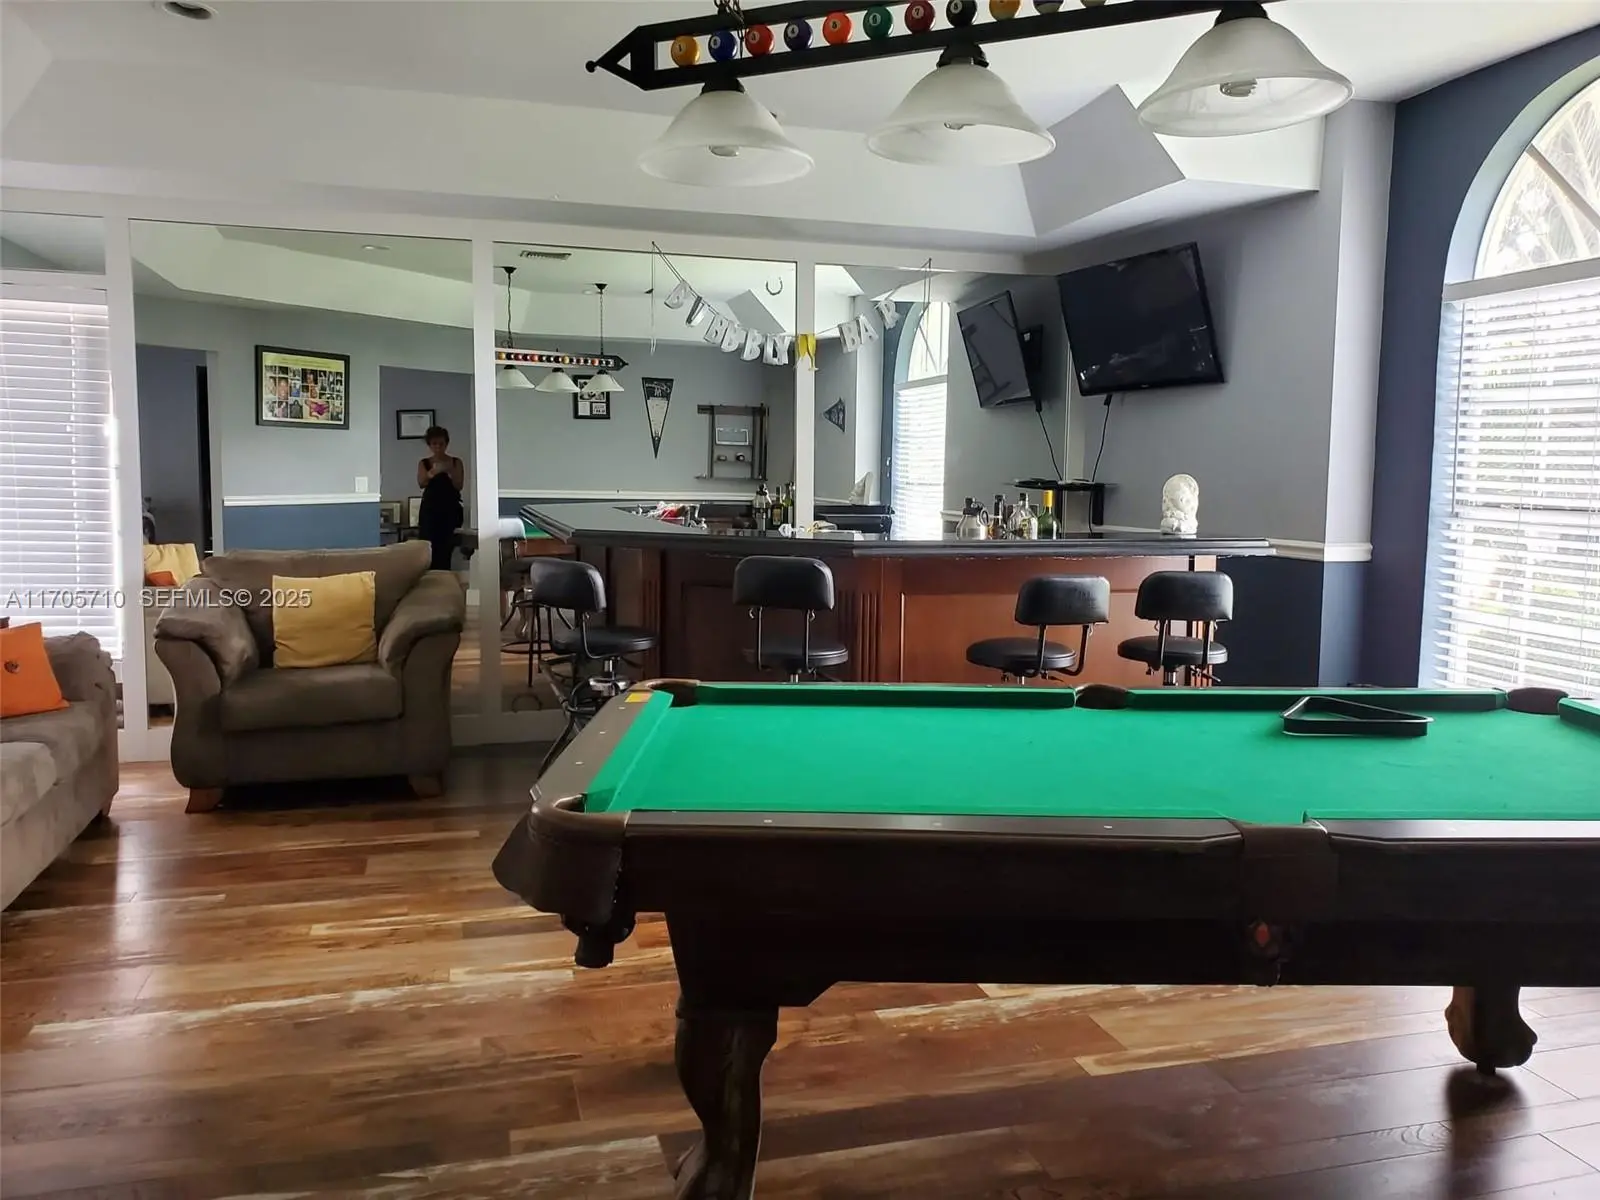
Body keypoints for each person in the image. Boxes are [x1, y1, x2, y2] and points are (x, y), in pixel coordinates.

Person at [416, 426, 465, 572]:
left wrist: (449, 472)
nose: (438, 447)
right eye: (434, 444)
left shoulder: (456, 462)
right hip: (430, 510)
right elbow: (421, 483)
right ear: (429, 445)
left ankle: (444, 576)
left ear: (446, 444)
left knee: (447, 546)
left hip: (450, 510)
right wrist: (432, 473)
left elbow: (459, 485)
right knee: (428, 545)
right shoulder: (424, 463)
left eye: (441, 444)